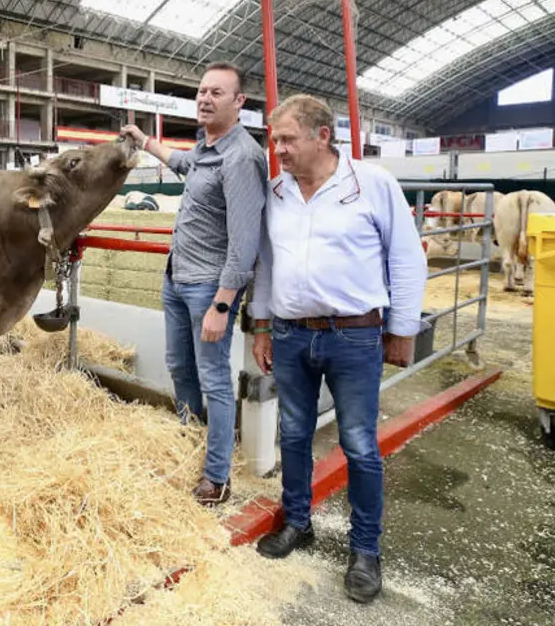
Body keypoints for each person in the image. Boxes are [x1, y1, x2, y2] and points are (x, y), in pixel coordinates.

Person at [248, 94, 427, 604]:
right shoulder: (277, 192)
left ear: (322, 135)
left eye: (287, 139)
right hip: (289, 332)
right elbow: (266, 266)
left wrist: (403, 329)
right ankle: (298, 523)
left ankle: (365, 550)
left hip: (355, 335)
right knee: (294, 432)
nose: (278, 149)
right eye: (274, 139)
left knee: (360, 444)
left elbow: (407, 258)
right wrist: (262, 326)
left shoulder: (372, 184)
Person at [119, 62, 267, 508]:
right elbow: (179, 161)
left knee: (214, 380)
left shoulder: (242, 156)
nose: (205, 99)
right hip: (176, 277)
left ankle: (217, 477)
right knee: (178, 367)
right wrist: (143, 141)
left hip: (208, 289)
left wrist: (223, 305)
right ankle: (187, 443)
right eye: (202, 91)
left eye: (217, 93)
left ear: (239, 103)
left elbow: (245, 242)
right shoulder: (206, 147)